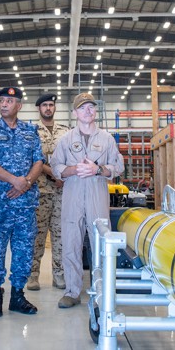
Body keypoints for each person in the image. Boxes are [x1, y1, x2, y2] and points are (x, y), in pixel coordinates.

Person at [50, 93, 124, 309]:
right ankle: (72, 292)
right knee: (71, 243)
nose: (88, 111)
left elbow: (118, 167)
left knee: (100, 243)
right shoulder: (65, 140)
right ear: (75, 113)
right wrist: (73, 170)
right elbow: (55, 167)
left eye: (91, 107)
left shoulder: (107, 139)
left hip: (97, 196)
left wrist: (98, 169)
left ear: (96, 111)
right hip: (72, 196)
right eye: (83, 108)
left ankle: (103, 290)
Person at [0, 87, 44, 318]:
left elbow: (38, 161)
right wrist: (14, 181)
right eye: (2, 101)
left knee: (24, 251)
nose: (4, 104)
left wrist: (25, 182)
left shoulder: (30, 131)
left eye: (9, 101)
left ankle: (18, 295)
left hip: (25, 204)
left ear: (19, 105)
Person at [28, 93, 69, 291]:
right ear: (39, 108)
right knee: (37, 235)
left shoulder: (66, 132)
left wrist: (64, 176)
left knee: (60, 236)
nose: (48, 108)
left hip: (62, 192)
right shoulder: (31, 131)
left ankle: (59, 275)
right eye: (44, 105)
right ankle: (33, 275)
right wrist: (54, 174)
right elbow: (31, 158)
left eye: (51, 105)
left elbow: (71, 157)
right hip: (39, 191)